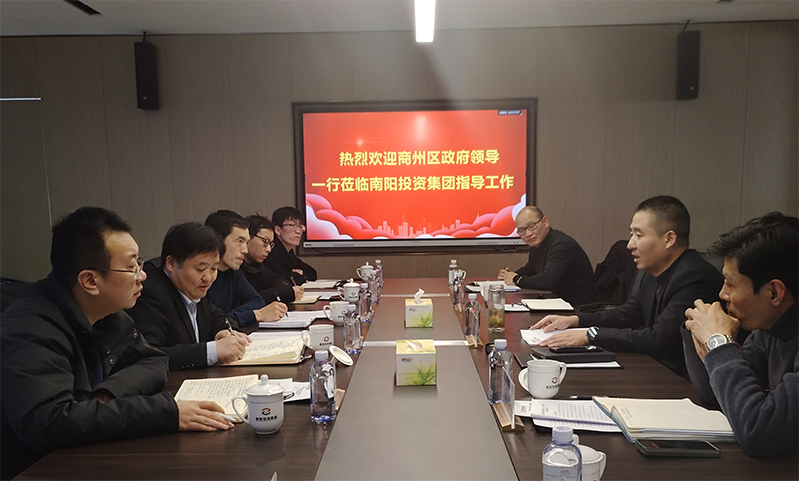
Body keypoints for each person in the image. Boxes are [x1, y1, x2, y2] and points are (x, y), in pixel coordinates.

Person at [0, 208, 233, 479]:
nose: (142, 276)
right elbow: (48, 423)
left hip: (90, 454)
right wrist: (166, 413)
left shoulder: (106, 312)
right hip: (41, 469)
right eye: (132, 267)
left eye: (140, 264)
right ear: (90, 280)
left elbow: (154, 359)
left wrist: (106, 396)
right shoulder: (29, 327)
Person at [532, 195, 723, 379]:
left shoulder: (694, 277)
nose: (630, 244)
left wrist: (591, 335)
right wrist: (575, 320)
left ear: (669, 239)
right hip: (654, 370)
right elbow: (627, 314)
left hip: (680, 383)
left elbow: (660, 339)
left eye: (638, 235)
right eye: (631, 234)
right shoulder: (654, 272)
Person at [683, 212, 797, 458]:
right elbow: (716, 394)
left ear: (774, 292)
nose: (722, 294)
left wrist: (718, 343)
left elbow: (760, 433)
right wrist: (703, 333)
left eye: (730, 284)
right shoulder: (772, 328)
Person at [126, 222, 251, 370]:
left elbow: (215, 314)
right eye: (200, 269)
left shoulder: (192, 286)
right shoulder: (150, 294)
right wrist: (211, 351)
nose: (208, 277)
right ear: (171, 263)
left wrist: (222, 331)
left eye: (214, 268)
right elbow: (147, 356)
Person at [497, 206, 596, 306]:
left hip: (578, 308)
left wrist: (517, 279)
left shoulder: (562, 245)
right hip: (558, 302)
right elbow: (530, 269)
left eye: (531, 226)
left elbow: (547, 280)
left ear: (545, 222)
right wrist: (510, 275)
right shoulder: (537, 244)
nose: (528, 234)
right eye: (522, 230)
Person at [204, 210, 287, 325]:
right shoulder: (202, 277)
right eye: (240, 241)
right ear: (218, 240)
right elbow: (208, 325)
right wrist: (255, 315)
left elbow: (257, 300)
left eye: (246, 242)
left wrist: (232, 317)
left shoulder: (232, 271)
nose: (245, 250)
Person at [241, 213, 304, 304]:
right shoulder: (236, 268)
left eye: (271, 244)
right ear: (247, 238)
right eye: (265, 241)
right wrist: (284, 293)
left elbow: (279, 279)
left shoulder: (257, 266)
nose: (269, 249)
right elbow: (250, 299)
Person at [265, 206, 318, 285]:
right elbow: (286, 280)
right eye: (291, 225)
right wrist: (296, 275)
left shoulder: (288, 252)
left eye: (300, 226)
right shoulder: (270, 251)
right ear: (277, 230)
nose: (298, 231)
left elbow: (312, 273)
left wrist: (298, 275)